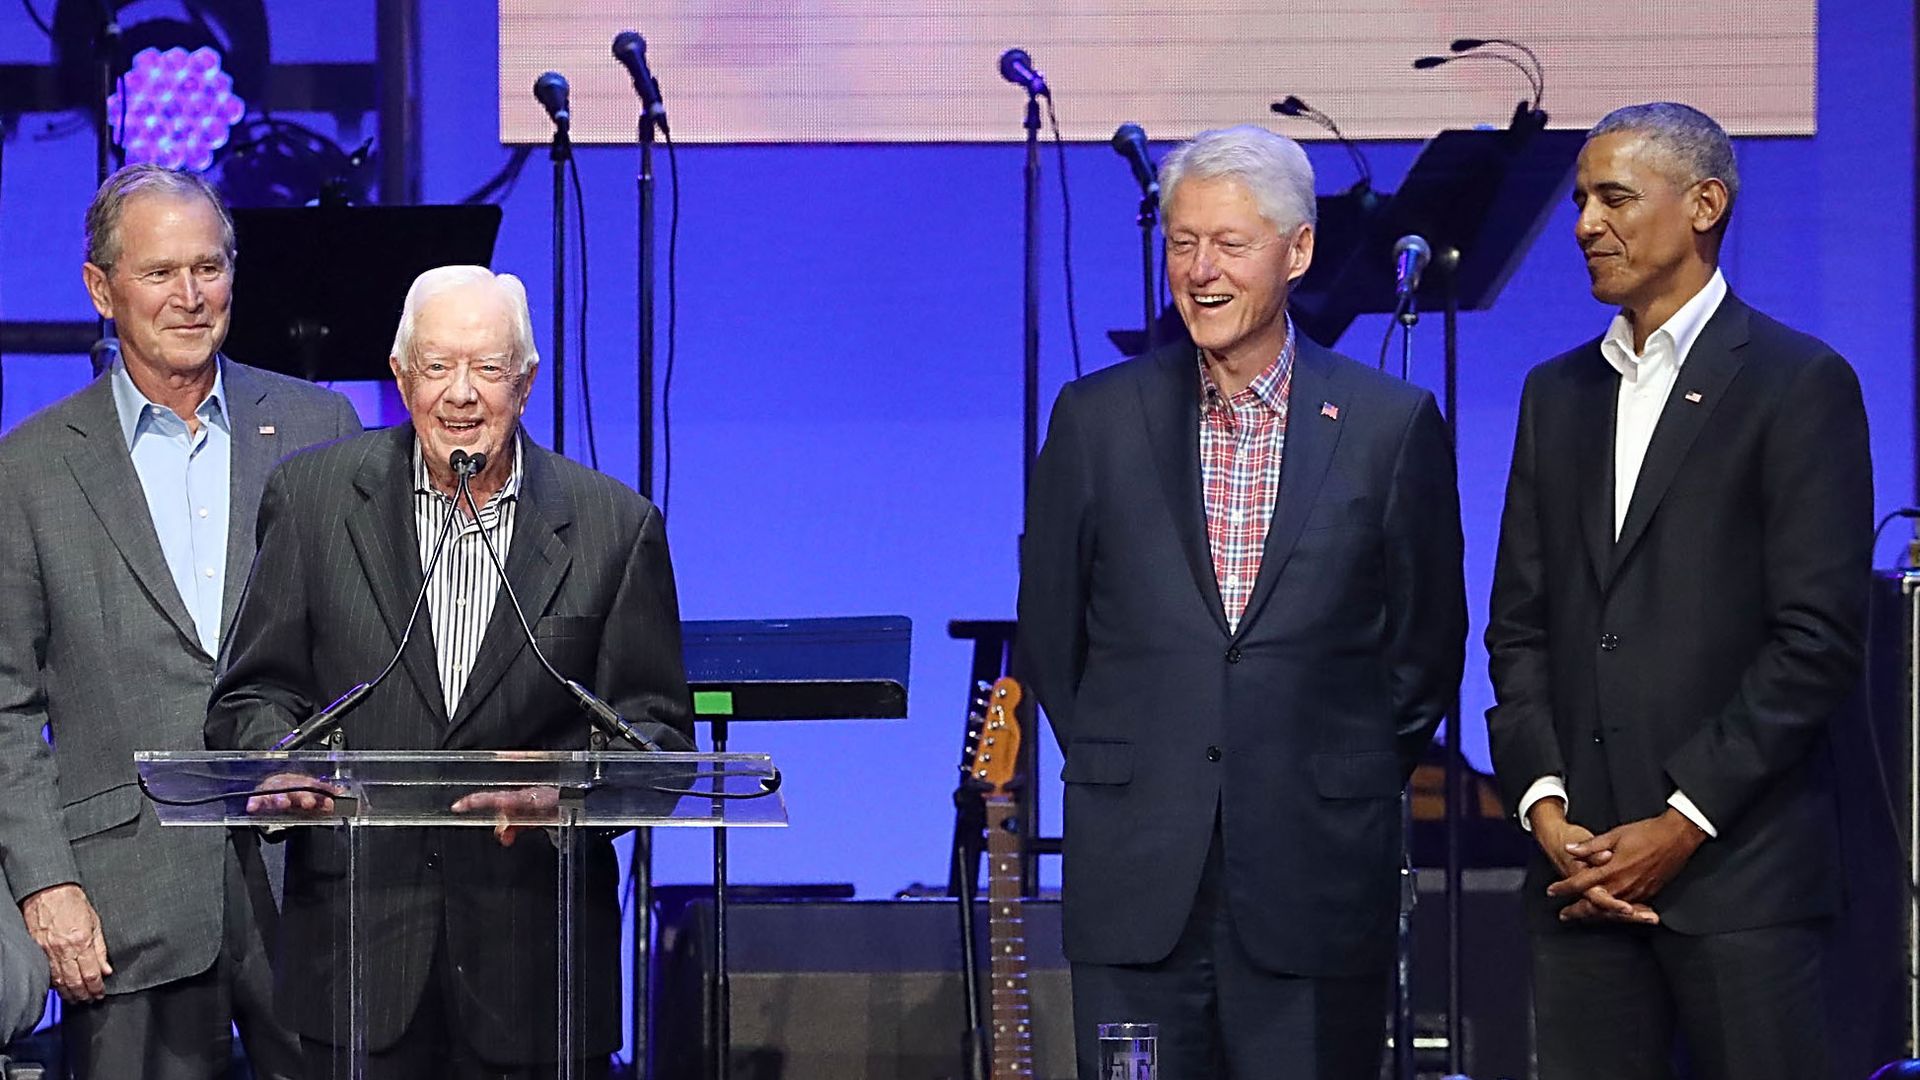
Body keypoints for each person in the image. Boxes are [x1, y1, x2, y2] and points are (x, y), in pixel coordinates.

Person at [1016, 124, 1465, 1078]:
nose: (1201, 272)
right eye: (1182, 243)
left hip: (1314, 875)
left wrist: (1326, 772)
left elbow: (1423, 651)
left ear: (1297, 251)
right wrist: (1136, 762)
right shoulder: (1094, 419)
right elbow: (1053, 638)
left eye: (1230, 244)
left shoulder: (1388, 427)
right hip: (1139, 880)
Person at [207, 265, 693, 1080]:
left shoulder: (614, 525)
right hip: (357, 965)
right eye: (437, 367)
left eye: (488, 369)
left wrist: (570, 789)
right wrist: (280, 761)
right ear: (401, 376)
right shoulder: (314, 499)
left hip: (535, 971)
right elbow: (254, 691)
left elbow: (658, 733)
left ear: (527, 382)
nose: (461, 394)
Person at [1485, 102, 1871, 1080]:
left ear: (1705, 204)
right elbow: (1519, 626)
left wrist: (1682, 820)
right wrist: (1544, 806)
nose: (1583, 224)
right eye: (1580, 199)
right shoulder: (1553, 395)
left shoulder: (1797, 384)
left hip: (1742, 885)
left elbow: (1816, 640)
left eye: (1613, 196)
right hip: (1580, 887)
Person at [0, 163, 362, 1079]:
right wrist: (47, 884)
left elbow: (371, 645)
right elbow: (3, 708)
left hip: (307, 885)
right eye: (161, 273)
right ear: (100, 289)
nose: (190, 297)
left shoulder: (323, 426)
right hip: (123, 900)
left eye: (209, 268)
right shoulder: (31, 468)